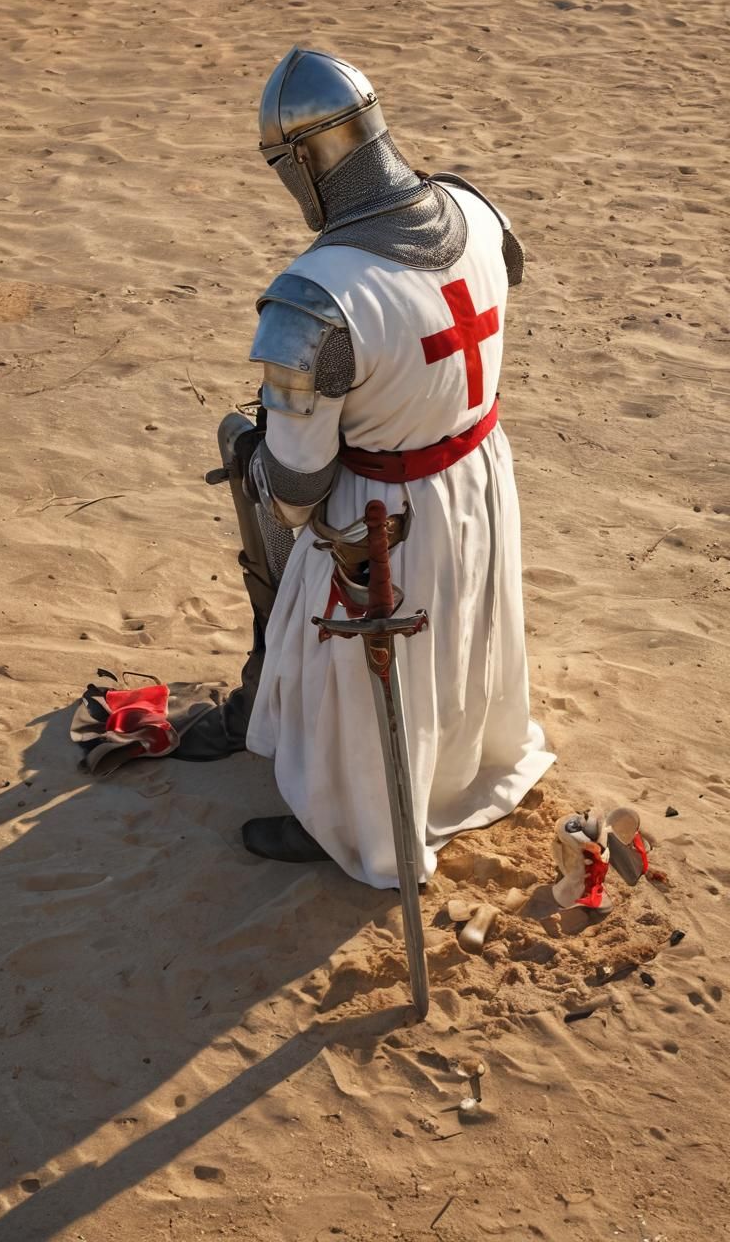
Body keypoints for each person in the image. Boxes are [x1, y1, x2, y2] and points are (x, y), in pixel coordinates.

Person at [180, 46, 555, 889]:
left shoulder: (318, 295)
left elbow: (300, 484)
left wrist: (264, 480)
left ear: (305, 161)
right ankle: (461, 772)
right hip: (480, 476)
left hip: (385, 516)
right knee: (464, 632)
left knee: (351, 659)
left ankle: (353, 820)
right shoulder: (473, 208)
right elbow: (487, 299)